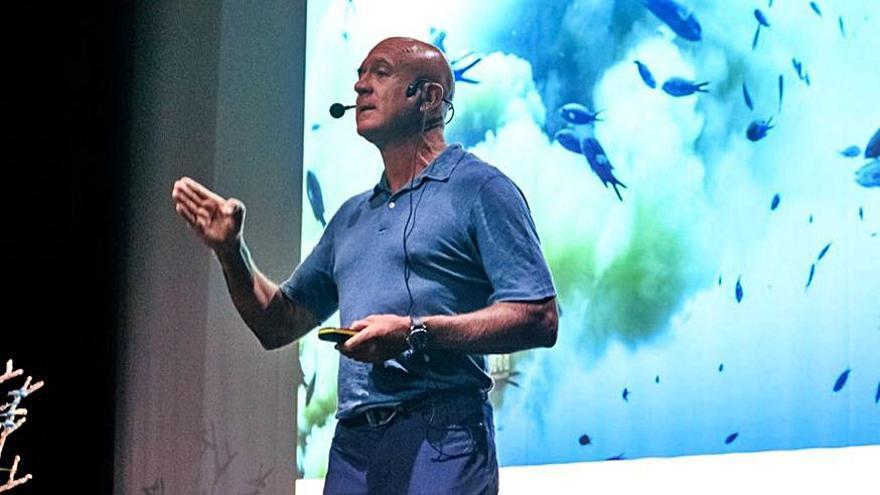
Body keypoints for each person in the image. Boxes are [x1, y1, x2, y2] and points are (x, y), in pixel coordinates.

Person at [172, 37, 557, 495]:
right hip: (355, 448)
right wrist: (231, 251)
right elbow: (276, 324)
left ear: (430, 97)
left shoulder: (481, 188)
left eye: (380, 71)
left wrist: (415, 331)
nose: (360, 85)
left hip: (443, 435)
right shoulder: (351, 217)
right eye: (359, 74)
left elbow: (539, 316)